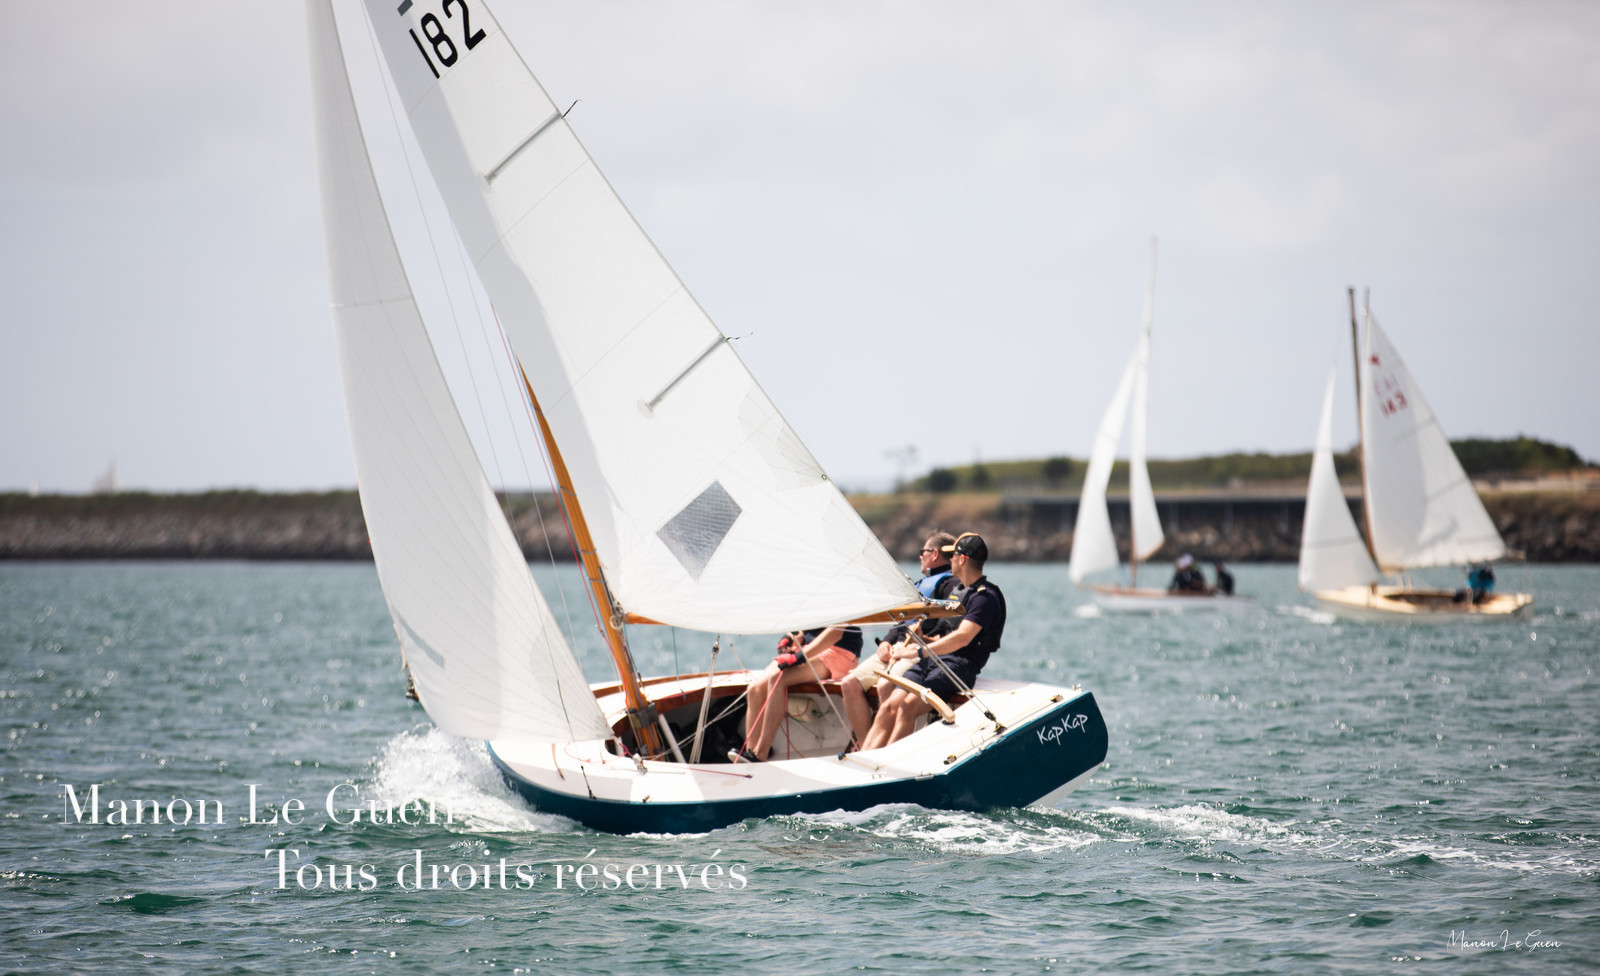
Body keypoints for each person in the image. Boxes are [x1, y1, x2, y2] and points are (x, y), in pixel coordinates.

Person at [860, 532, 1005, 750]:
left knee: (906, 706)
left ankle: (884, 763)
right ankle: (865, 757)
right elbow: (943, 636)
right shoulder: (958, 592)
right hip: (934, 660)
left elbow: (962, 638)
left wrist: (918, 652)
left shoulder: (984, 598)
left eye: (953, 556)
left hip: (958, 665)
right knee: (889, 706)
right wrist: (921, 638)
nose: (950, 560)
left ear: (962, 559)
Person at [841, 531, 961, 749]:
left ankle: (884, 751)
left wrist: (921, 639)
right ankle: (867, 747)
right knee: (849, 684)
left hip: (916, 649)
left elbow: (947, 630)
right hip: (895, 648)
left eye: (923, 552)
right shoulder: (918, 585)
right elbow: (899, 623)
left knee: (885, 684)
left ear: (934, 554)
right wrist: (885, 643)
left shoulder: (950, 586)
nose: (920, 556)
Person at [731, 624, 862, 763]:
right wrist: (790, 638)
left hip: (838, 652)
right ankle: (749, 754)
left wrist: (799, 657)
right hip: (809, 648)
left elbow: (836, 632)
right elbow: (805, 629)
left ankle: (760, 754)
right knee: (755, 689)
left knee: (777, 679)